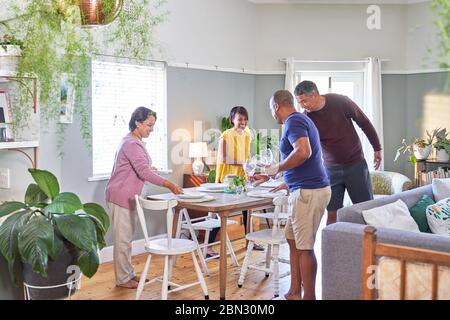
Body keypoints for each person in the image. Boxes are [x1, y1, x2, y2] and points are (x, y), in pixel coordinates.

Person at [252, 90, 331, 300]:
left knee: (305, 247)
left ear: (276, 106)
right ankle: (295, 291)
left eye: (271, 109)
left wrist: (276, 169)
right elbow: (305, 162)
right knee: (293, 240)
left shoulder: (293, 122)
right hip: (304, 188)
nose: (272, 114)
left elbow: (304, 152)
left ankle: (309, 297)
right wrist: (284, 181)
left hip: (308, 192)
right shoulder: (301, 120)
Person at [105, 106, 183, 289]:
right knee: (123, 240)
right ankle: (123, 279)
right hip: (121, 196)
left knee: (127, 239)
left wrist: (149, 170)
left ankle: (128, 274)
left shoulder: (133, 141)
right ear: (137, 123)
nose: (152, 129)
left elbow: (138, 168)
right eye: (149, 125)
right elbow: (142, 171)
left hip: (127, 197)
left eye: (153, 125)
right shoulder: (132, 143)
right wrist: (170, 184)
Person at [294, 81, 382, 225]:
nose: (302, 105)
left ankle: (369, 245)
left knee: (366, 210)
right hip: (330, 170)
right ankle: (331, 246)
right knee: (332, 213)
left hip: (356, 165)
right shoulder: (307, 118)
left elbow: (364, 123)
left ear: (315, 95)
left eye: (304, 101)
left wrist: (376, 147)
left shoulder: (340, 101)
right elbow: (307, 151)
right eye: (299, 102)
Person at [206, 106, 263, 257]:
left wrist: (250, 166)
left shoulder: (247, 134)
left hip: (241, 176)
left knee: (247, 209)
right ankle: (208, 248)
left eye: (244, 119)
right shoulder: (225, 135)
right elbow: (224, 158)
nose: (242, 122)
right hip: (227, 178)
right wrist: (244, 163)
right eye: (239, 119)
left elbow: (246, 155)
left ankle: (249, 241)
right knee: (221, 213)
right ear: (232, 120)